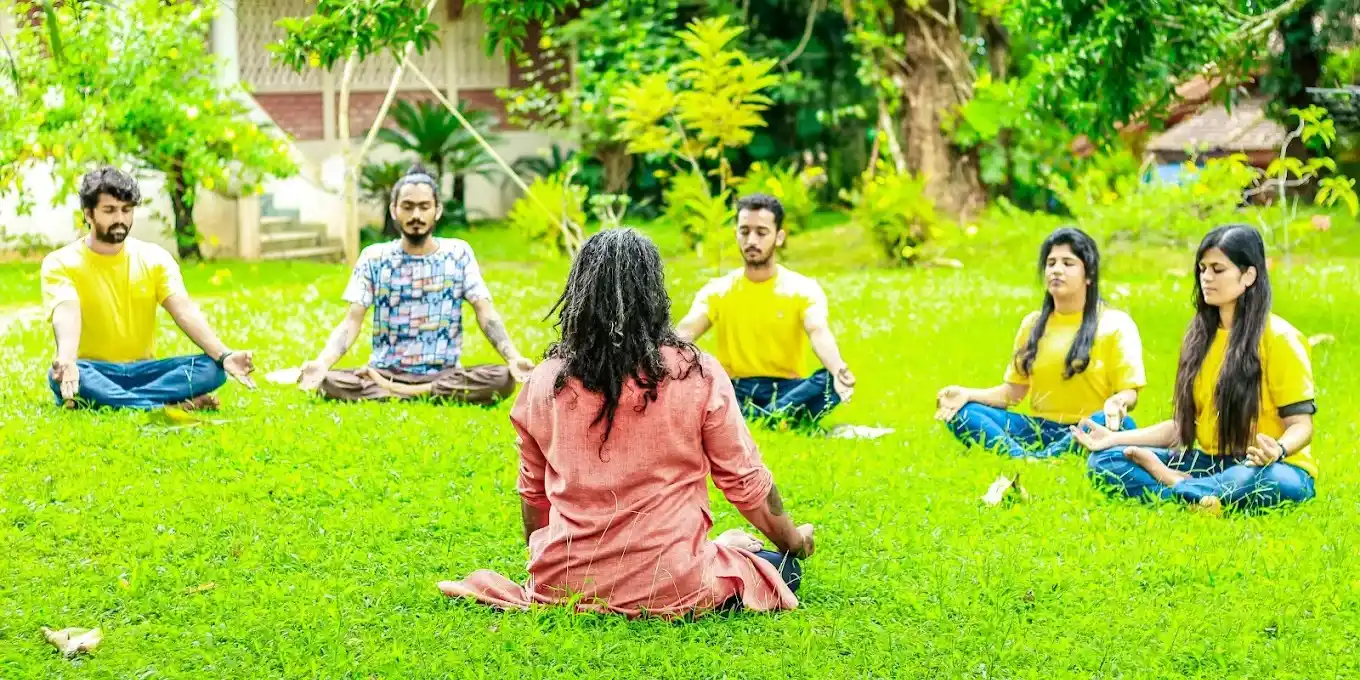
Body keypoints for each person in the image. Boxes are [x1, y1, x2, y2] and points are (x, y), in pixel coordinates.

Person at [438, 228, 815, 618]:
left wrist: (550, 561)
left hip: (565, 585)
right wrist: (794, 541)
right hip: (672, 582)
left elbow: (533, 496)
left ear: (579, 295)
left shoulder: (545, 381)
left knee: (733, 553)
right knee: (783, 569)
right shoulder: (695, 373)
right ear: (654, 293)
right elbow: (745, 480)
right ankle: (719, 551)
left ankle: (716, 548)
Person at [1080, 224, 1317, 512]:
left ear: (1249, 275)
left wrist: (1277, 450)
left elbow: (1301, 425)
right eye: (1202, 269)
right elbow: (1180, 428)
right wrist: (1114, 438)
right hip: (1209, 462)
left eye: (1218, 269)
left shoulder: (1280, 338)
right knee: (1106, 460)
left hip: (1270, 466)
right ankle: (1200, 495)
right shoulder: (1199, 338)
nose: (1206, 277)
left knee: (1264, 480)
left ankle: (1174, 483)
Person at [297, 165, 533, 403]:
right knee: (328, 381)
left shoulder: (458, 253)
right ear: (394, 210)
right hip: (385, 372)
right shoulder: (374, 257)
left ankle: (399, 393)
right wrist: (322, 363)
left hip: (443, 374)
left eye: (424, 207)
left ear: (437, 210)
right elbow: (352, 320)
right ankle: (418, 392)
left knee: (502, 378)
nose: (416, 216)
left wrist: (513, 358)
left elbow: (484, 310)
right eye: (408, 207)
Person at [40, 167, 256, 411]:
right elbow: (66, 313)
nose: (120, 218)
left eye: (126, 210)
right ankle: (163, 407)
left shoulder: (154, 257)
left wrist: (224, 355)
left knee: (213, 369)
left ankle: (115, 401)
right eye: (109, 210)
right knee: (60, 374)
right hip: (93, 370)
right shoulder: (60, 262)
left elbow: (183, 310)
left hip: (145, 371)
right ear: (88, 213)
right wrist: (67, 360)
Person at [935, 227, 1145, 458]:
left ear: (1089, 275)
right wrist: (967, 394)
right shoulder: (1033, 324)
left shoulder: (1115, 324)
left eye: (1068, 263)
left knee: (1117, 424)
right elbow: (1013, 393)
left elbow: (1129, 392)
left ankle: (1034, 458)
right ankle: (1030, 459)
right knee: (965, 413)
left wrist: (1118, 401)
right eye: (1051, 263)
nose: (1057, 270)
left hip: (1088, 426)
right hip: (1038, 429)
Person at [675, 193, 854, 429]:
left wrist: (838, 367)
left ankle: (756, 419)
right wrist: (657, 359)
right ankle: (777, 418)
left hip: (788, 389)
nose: (751, 240)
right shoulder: (718, 290)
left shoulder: (802, 288)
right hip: (734, 389)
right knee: (693, 381)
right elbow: (688, 329)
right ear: (736, 234)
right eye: (744, 231)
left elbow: (818, 331)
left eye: (761, 233)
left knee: (831, 380)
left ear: (779, 237)